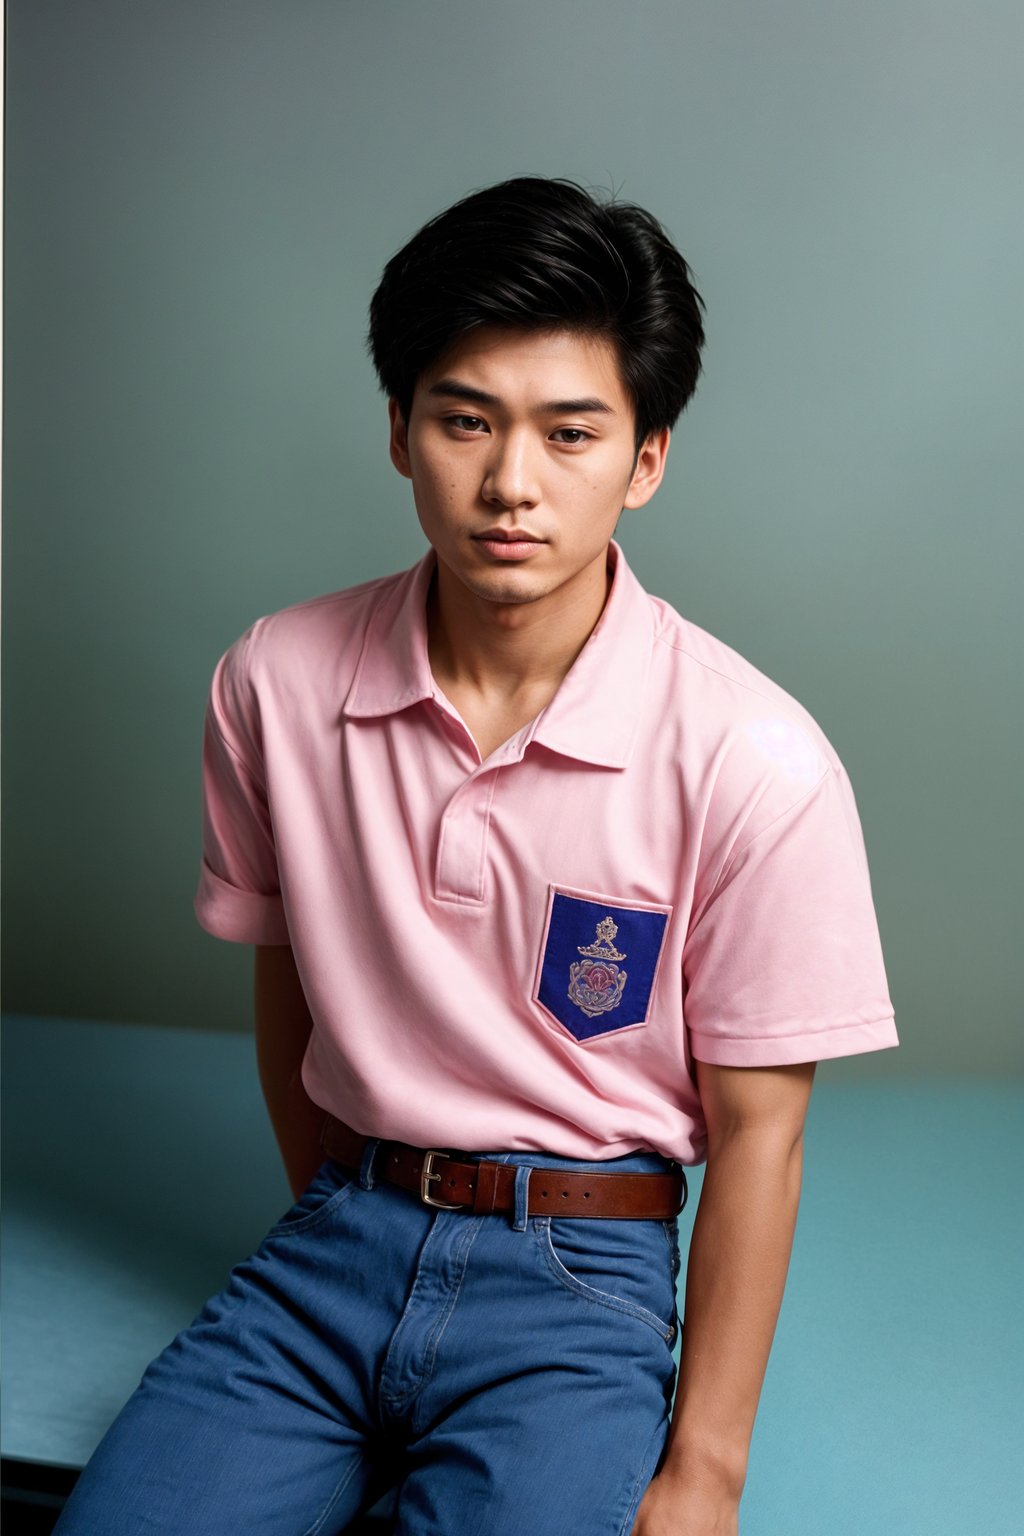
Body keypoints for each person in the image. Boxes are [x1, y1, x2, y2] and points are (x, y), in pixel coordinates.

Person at [55, 176, 897, 1536]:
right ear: (399, 432)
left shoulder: (756, 756)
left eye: (572, 434)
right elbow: (293, 987)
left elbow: (763, 1137)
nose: (512, 483)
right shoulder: (274, 681)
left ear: (647, 458)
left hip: (584, 1274)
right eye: (465, 421)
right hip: (335, 1242)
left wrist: (705, 1473)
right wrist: (345, 1208)